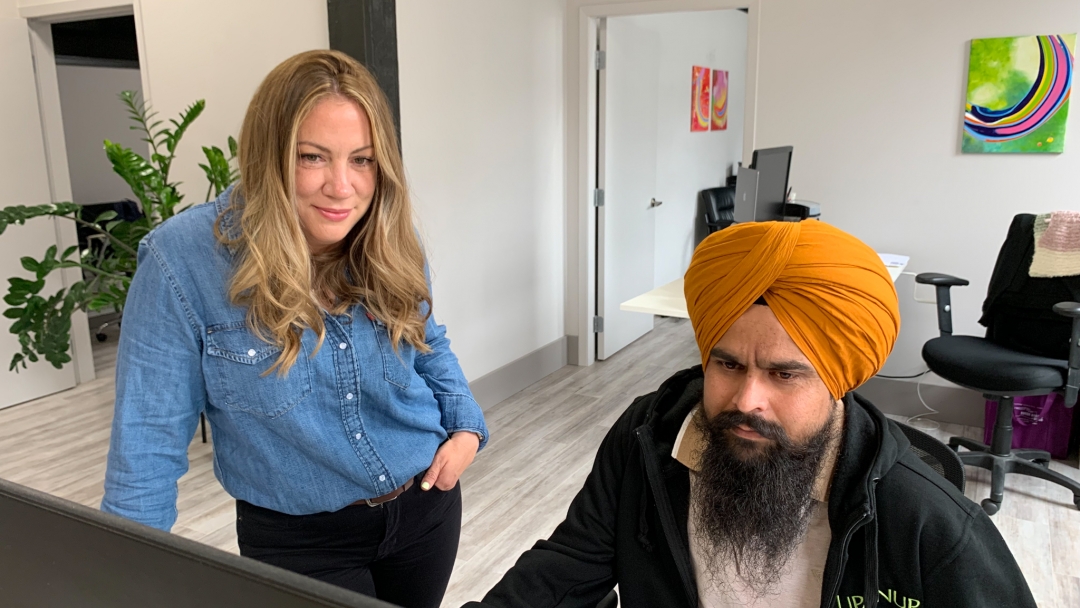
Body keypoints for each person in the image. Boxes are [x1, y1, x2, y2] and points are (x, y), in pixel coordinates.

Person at [466, 221, 1035, 608]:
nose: (746, 400)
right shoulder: (649, 437)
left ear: (839, 379)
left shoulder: (925, 521)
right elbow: (571, 562)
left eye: (785, 374)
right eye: (728, 364)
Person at [101, 50, 488, 608]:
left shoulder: (386, 235)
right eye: (312, 157)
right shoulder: (182, 262)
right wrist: (122, 580)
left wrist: (467, 427)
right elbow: (146, 441)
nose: (342, 187)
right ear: (268, 154)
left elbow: (427, 340)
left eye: (362, 160)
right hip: (301, 545)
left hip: (426, 509)